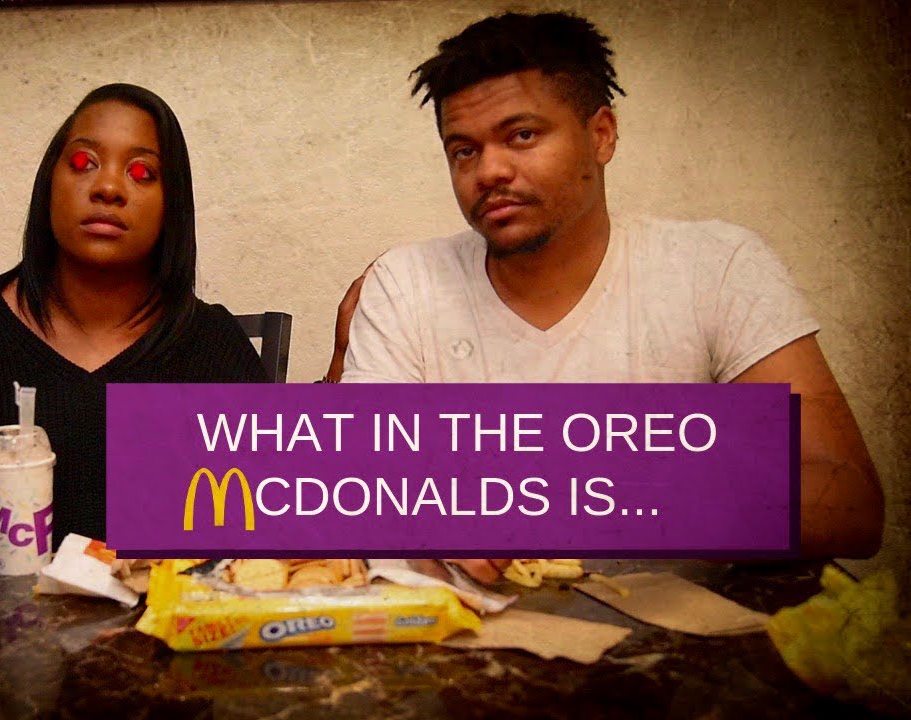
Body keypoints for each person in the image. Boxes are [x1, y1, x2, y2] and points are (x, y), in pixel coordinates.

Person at [337, 12, 883, 561]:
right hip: (460, 615)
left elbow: (850, 505)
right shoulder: (406, 285)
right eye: (464, 150)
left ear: (601, 135)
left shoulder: (714, 268)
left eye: (522, 135)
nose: (489, 171)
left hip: (683, 613)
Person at [0, 84, 269, 555]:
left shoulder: (214, 347)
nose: (108, 188)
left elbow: (267, 532)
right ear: (50, 182)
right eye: (84, 163)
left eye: (142, 172)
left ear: (173, 205)